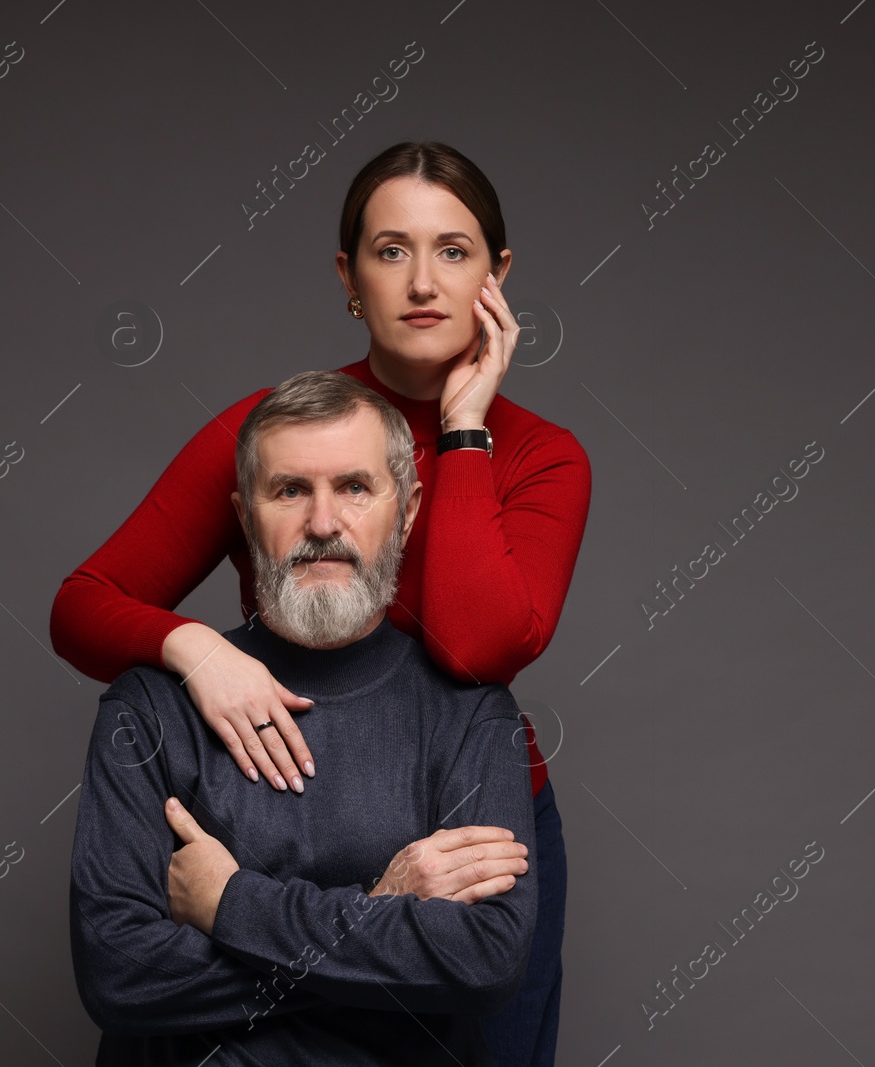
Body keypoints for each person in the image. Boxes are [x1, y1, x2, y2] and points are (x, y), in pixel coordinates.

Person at [52, 141, 591, 1066]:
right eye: (390, 250)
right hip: (278, 805)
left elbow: (474, 650)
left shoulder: (542, 455)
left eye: (454, 251)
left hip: (463, 812)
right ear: (349, 276)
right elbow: (83, 605)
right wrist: (198, 649)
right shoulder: (276, 433)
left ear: (499, 276)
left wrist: (465, 430)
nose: (423, 282)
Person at [70, 371, 536, 1065]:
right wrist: (382, 908)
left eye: (353, 487)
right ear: (246, 512)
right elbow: (121, 976)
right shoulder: (151, 708)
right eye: (289, 490)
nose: (322, 524)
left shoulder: (474, 715)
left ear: (407, 511)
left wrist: (230, 905)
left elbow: (485, 960)